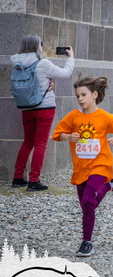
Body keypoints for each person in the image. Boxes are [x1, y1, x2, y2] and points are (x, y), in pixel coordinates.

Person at [53, 76, 113, 256]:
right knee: (85, 206)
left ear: (94, 94)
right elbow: (57, 134)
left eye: (84, 94)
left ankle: (86, 242)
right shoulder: (73, 116)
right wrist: (68, 137)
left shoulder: (105, 117)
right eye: (77, 96)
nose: (80, 99)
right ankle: (110, 185)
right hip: (81, 168)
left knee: (88, 201)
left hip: (101, 165)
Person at [10, 34, 75, 191]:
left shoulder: (17, 64)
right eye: (41, 44)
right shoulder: (43, 63)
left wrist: (49, 83)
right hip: (44, 107)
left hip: (26, 107)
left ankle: (18, 178)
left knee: (28, 142)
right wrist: (71, 57)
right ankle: (34, 181)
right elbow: (66, 73)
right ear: (37, 46)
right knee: (40, 144)